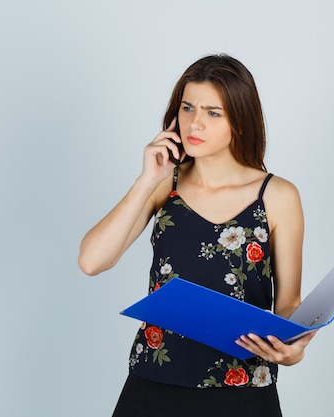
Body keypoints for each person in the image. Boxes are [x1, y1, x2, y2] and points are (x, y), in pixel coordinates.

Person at [78, 54, 316, 417]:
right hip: (153, 385)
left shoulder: (278, 196)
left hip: (244, 393)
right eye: (188, 108)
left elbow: (288, 303)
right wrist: (146, 181)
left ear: (240, 119)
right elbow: (92, 261)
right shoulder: (163, 185)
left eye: (212, 113)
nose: (195, 123)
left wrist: (294, 347)